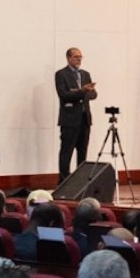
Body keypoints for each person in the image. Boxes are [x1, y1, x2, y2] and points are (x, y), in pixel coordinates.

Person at [54, 47, 97, 181]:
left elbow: (93, 94)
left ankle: (80, 181)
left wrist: (79, 92)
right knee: (66, 152)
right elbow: (63, 95)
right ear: (68, 58)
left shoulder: (85, 74)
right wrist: (82, 91)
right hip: (70, 120)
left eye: (80, 57)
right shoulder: (61, 74)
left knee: (82, 152)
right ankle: (63, 181)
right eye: (76, 57)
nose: (79, 59)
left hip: (84, 119)